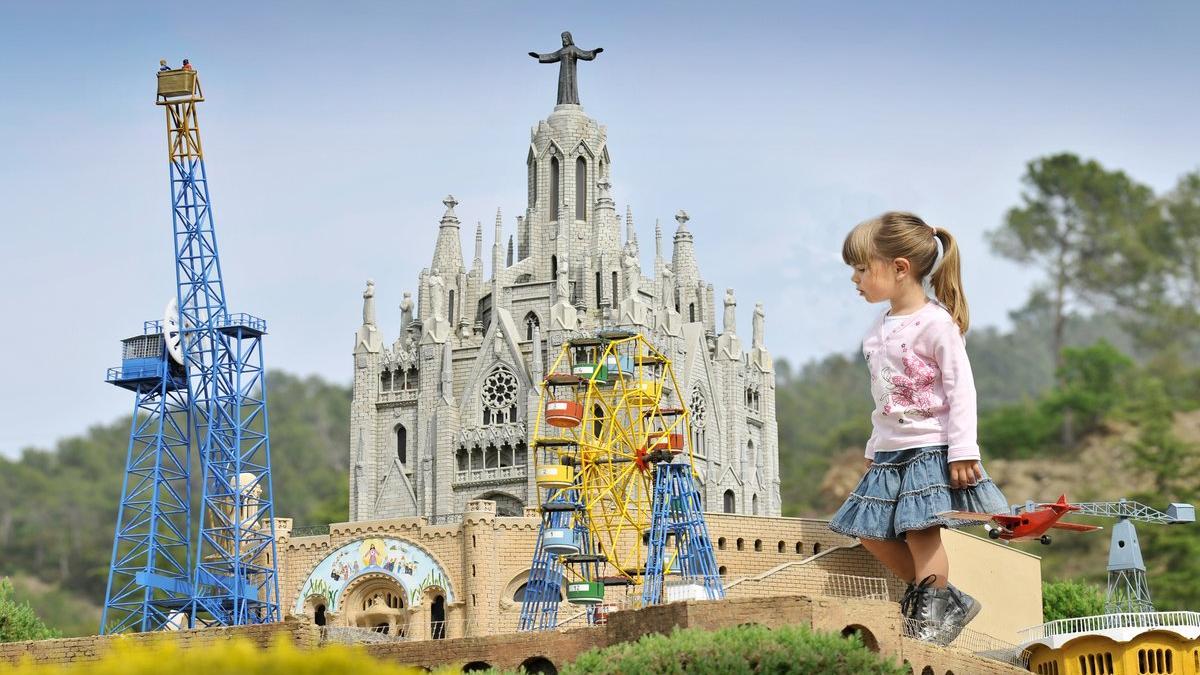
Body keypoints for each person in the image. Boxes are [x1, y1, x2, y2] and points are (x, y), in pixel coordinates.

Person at [828, 211, 1008, 646]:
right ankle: (948, 599)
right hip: (890, 453)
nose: (855, 278)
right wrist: (875, 444)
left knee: (918, 533)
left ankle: (928, 622)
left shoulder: (937, 324)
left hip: (931, 449)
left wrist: (963, 450)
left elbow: (961, 389)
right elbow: (885, 399)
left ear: (900, 268)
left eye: (861, 268)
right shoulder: (876, 333)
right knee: (866, 529)